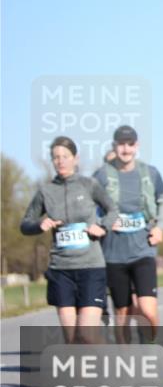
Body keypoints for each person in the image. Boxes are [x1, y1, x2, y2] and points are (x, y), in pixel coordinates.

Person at [21, 136, 119, 343]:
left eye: (65, 156)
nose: (61, 161)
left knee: (87, 334)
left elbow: (112, 209)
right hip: (61, 270)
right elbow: (25, 224)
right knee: (72, 337)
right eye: (56, 157)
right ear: (52, 161)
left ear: (75, 158)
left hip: (91, 267)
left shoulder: (89, 185)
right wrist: (39, 225)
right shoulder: (46, 192)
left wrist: (102, 227)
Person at [92, 125, 163, 343]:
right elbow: (88, 207)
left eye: (130, 144)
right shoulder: (101, 176)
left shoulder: (150, 173)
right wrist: (103, 223)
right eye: (121, 144)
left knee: (148, 310)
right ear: (114, 146)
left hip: (143, 249)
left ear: (137, 146)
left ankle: (149, 343)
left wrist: (160, 227)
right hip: (113, 254)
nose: (125, 149)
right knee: (122, 315)